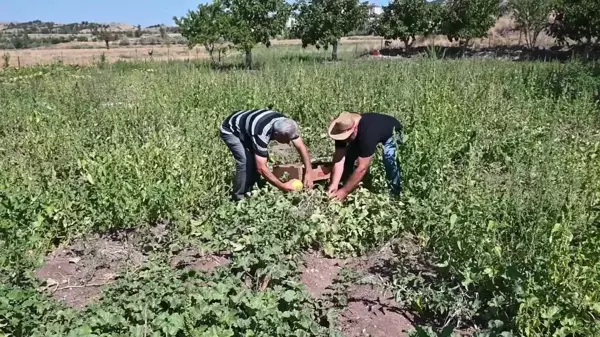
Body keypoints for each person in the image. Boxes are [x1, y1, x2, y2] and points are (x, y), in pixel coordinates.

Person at [219, 108, 313, 201]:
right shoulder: (261, 133)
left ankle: (253, 187)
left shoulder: (286, 124)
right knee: (245, 161)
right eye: (286, 139)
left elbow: (301, 147)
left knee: (260, 157)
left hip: (248, 126)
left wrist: (309, 172)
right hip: (231, 129)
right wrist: (283, 186)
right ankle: (238, 197)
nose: (289, 142)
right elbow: (261, 168)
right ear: (276, 134)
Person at [326, 112, 402, 201]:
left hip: (394, 131)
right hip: (374, 128)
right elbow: (339, 158)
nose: (344, 140)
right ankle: (346, 179)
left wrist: (344, 191)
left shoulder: (367, 134)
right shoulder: (341, 129)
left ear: (354, 130)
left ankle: (395, 192)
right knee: (348, 155)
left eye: (346, 137)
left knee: (389, 157)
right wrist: (334, 183)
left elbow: (362, 167)